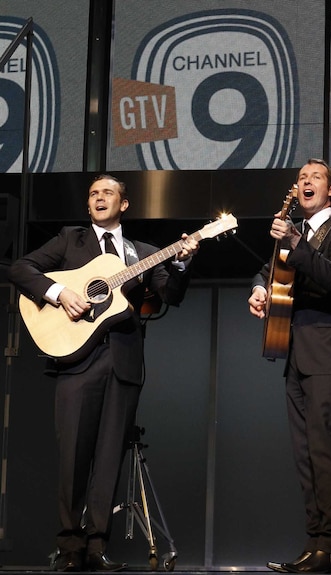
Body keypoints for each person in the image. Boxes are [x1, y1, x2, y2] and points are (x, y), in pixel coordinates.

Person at [9, 174, 199, 572]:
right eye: (93, 193)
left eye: (107, 192)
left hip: (124, 363)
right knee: (73, 457)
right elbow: (21, 269)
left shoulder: (142, 251)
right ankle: (69, 548)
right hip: (75, 360)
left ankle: (97, 547)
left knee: (110, 457)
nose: (98, 197)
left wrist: (181, 261)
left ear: (124, 204)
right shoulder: (69, 240)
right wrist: (61, 293)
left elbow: (171, 295)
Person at [248, 159, 331, 575]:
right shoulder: (293, 239)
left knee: (325, 451)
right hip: (294, 355)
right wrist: (260, 290)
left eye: (315, 177)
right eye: (300, 178)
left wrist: (296, 242)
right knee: (305, 456)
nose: (305, 183)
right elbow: (269, 271)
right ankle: (316, 544)